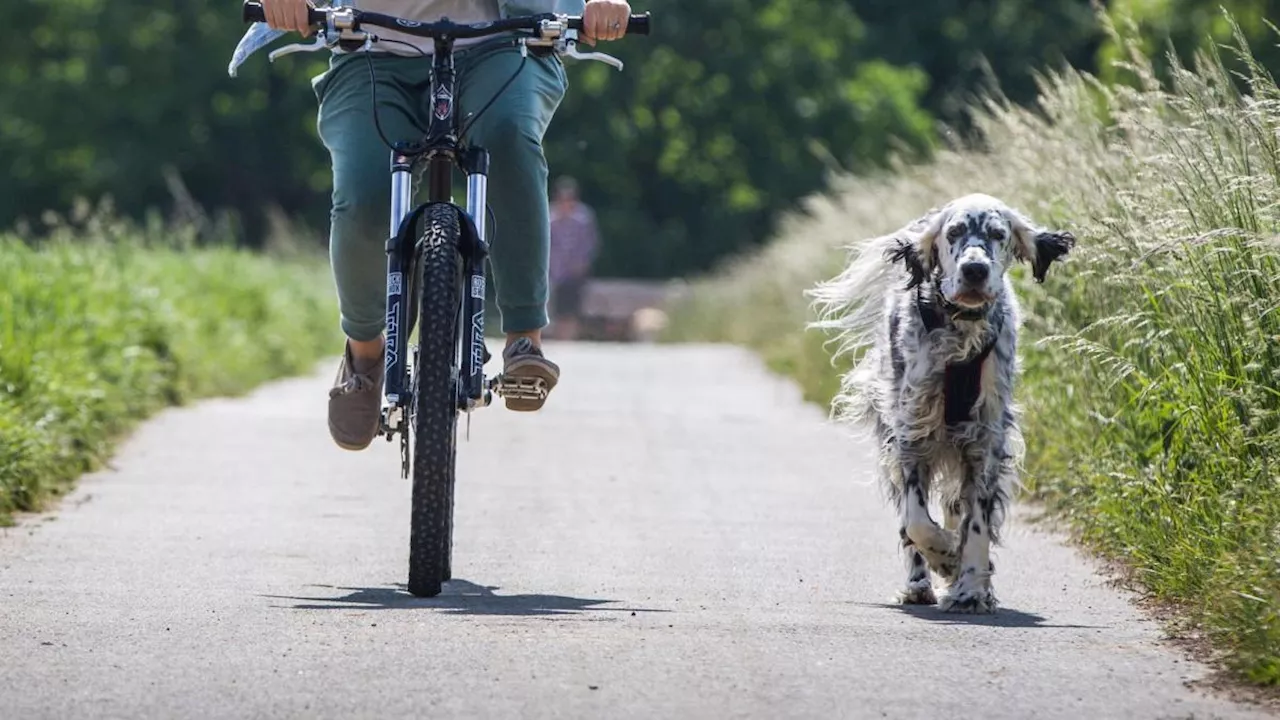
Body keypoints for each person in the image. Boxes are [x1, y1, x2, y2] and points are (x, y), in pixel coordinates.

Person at [258, 0, 633, 450]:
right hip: (371, 49)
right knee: (364, 196)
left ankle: (524, 342)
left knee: (508, 137)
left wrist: (596, 5)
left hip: (499, 47)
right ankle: (365, 357)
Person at [547, 176, 600, 341]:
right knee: (555, 307)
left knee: (572, 306)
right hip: (553, 270)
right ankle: (558, 337)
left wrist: (583, 262)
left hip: (575, 271)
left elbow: (590, 242)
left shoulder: (584, 217)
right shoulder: (550, 216)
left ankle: (569, 338)